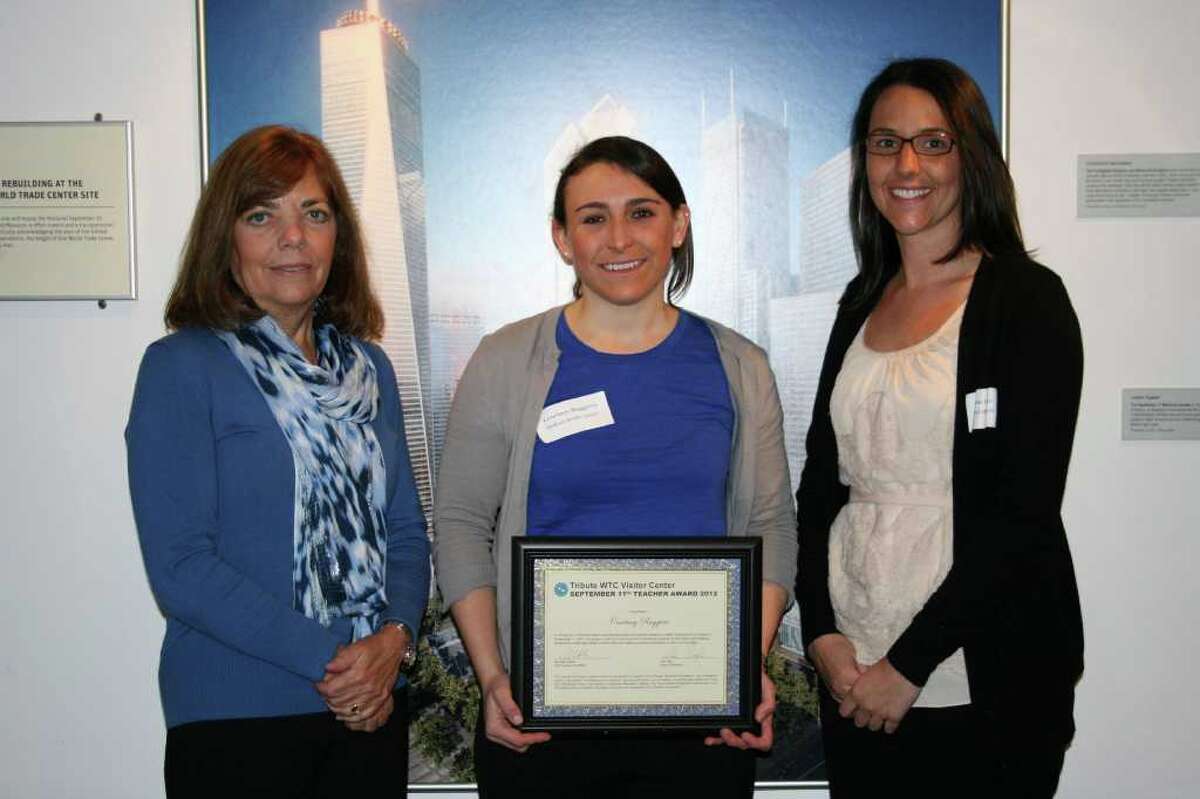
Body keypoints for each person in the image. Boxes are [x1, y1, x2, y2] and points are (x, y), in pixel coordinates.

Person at [433, 135, 797, 798]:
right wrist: (491, 678)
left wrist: (743, 666)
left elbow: (772, 523)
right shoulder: (504, 359)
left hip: (700, 722)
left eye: (642, 212)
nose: (619, 238)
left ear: (678, 225)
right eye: (593, 217)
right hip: (539, 722)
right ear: (562, 237)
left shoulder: (741, 366)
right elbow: (461, 523)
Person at [795, 58, 1084, 797]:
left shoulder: (1026, 300)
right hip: (855, 665)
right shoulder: (860, 301)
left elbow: (1021, 513)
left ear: (970, 155)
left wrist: (908, 665)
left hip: (979, 669)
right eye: (885, 143)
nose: (907, 165)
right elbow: (821, 486)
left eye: (933, 142)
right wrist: (821, 632)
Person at [126, 125, 429, 797]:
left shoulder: (370, 370)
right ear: (225, 239)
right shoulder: (182, 367)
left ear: (337, 237)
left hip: (372, 709)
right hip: (238, 719)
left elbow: (407, 532)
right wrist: (336, 661)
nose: (293, 237)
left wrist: (394, 642)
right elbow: (181, 567)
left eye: (314, 214)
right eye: (262, 215)